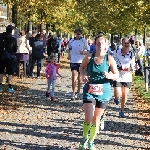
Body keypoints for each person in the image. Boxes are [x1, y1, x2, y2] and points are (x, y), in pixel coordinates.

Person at [79, 35, 119, 150]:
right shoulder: (89, 57)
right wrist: (83, 75)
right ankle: (84, 139)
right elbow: (81, 68)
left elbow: (116, 74)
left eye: (102, 43)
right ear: (95, 45)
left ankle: (91, 142)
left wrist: (110, 75)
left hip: (104, 92)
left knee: (96, 119)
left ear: (106, 45)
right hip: (90, 90)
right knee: (88, 117)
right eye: (98, 43)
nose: (100, 45)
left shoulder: (109, 59)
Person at [113, 37, 136, 118]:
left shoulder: (132, 54)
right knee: (118, 94)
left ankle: (122, 110)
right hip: (117, 76)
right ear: (122, 44)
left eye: (128, 43)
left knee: (125, 94)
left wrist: (135, 67)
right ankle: (116, 98)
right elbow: (111, 61)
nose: (126, 45)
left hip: (127, 77)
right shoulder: (115, 52)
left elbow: (133, 66)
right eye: (125, 43)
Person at [68, 28, 90, 100]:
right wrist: (69, 55)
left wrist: (83, 52)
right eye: (77, 33)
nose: (78, 35)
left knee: (80, 79)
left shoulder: (84, 41)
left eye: (80, 33)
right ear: (75, 33)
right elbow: (69, 48)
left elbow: (89, 51)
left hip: (81, 61)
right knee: (74, 76)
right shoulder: (72, 41)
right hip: (73, 61)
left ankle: (78, 92)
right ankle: (73, 93)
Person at [0, 25, 17, 92]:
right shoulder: (13, 39)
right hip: (9, 57)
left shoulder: (1, 36)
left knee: (0, 71)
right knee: (9, 72)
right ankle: (10, 87)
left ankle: (0, 85)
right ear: (12, 31)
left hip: (1, 56)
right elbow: (15, 49)